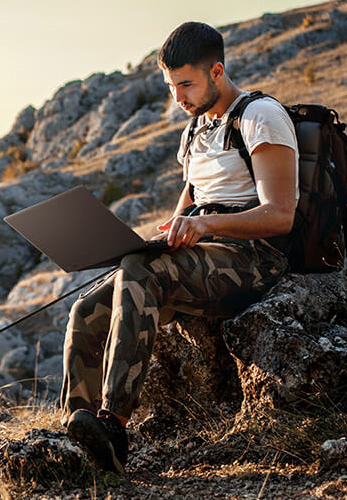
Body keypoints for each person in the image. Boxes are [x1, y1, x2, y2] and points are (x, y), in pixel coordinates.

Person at [61, 21, 299, 473]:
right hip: (206, 256)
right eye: (171, 86)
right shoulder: (193, 132)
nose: (178, 98)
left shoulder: (259, 117)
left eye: (185, 84)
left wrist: (206, 225)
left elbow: (280, 214)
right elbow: (185, 209)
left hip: (256, 257)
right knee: (86, 308)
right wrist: (161, 236)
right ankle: (76, 427)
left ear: (217, 71)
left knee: (140, 272)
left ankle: (112, 427)